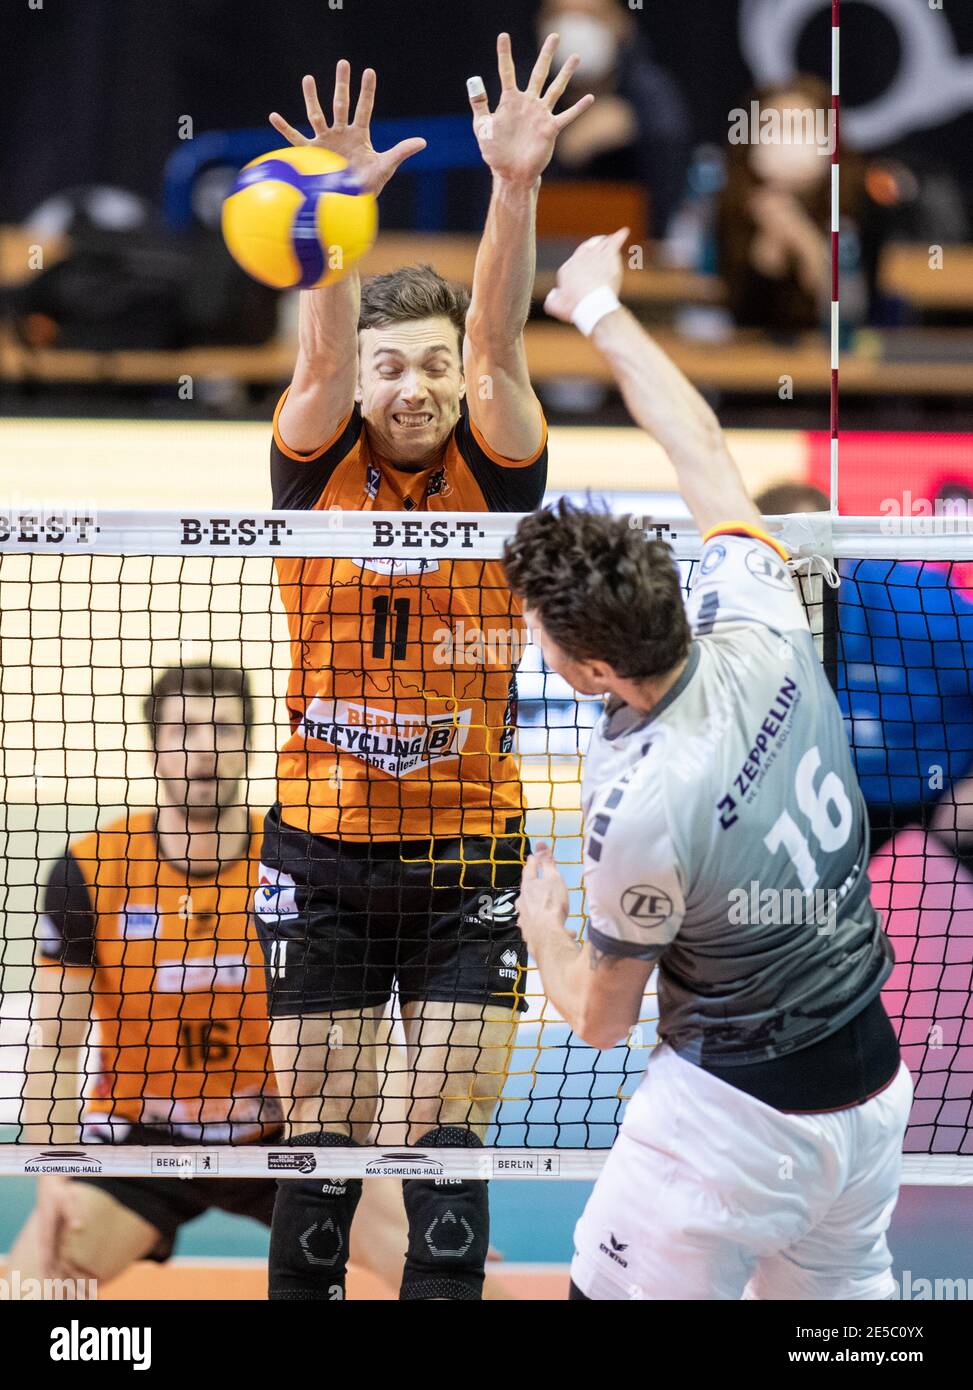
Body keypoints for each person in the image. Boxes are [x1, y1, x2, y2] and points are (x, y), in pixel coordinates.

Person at [507, 229, 912, 1300]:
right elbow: (695, 441)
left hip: (735, 1122)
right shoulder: (757, 609)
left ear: (590, 667)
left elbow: (599, 1019)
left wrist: (543, 926)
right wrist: (594, 306)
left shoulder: (639, 799)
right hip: (871, 1089)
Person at [256, 36, 590, 1302]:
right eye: (389, 366)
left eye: (431, 364)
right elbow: (319, 362)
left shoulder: (495, 453)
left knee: (449, 1155)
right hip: (323, 857)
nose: (411, 385)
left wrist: (513, 184)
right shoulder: (312, 457)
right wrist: (337, 213)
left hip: (467, 863)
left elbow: (504, 348)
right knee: (324, 1159)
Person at [6, 664, 491, 1298]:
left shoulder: (302, 863)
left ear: (249, 747)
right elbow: (54, 1044)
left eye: (223, 730)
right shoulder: (91, 869)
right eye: (183, 730)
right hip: (141, 1143)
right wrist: (51, 1181)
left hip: (286, 1137)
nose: (204, 748)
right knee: (30, 1287)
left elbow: (365, 1041)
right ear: (154, 749)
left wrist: (386, 1180)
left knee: (438, 1271)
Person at [755, 481, 973, 852]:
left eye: (808, 562)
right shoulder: (749, 622)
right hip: (829, 804)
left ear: (841, 552)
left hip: (936, 802)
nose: (794, 579)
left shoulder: (923, 606)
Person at [717, 76, 880, 336]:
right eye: (772, 128)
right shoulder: (733, 205)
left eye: (801, 127)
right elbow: (736, 316)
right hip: (751, 362)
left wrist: (802, 238)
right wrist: (768, 248)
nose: (787, 141)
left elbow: (851, 314)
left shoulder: (855, 204)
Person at [536, 0, 691, 237]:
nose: (575, 28)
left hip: (632, 255)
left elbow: (670, 201)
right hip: (546, 251)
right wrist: (558, 153)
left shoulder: (650, 92)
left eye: (590, 15)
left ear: (621, 24)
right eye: (561, 15)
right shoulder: (528, 90)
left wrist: (637, 131)